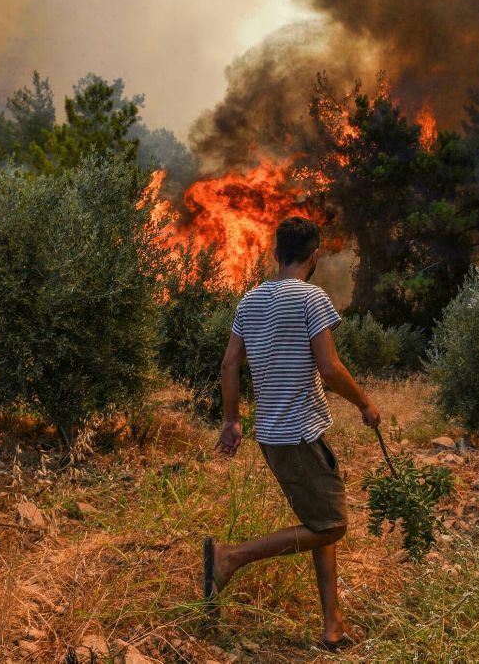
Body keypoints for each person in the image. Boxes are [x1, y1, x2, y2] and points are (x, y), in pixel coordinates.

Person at [203, 216, 381, 651]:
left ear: (275, 252)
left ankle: (332, 628)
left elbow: (229, 365)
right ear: (314, 255)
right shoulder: (311, 298)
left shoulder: (249, 301)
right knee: (333, 524)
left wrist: (232, 420)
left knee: (318, 521)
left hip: (272, 435)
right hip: (301, 433)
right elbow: (329, 366)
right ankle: (229, 558)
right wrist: (365, 404)